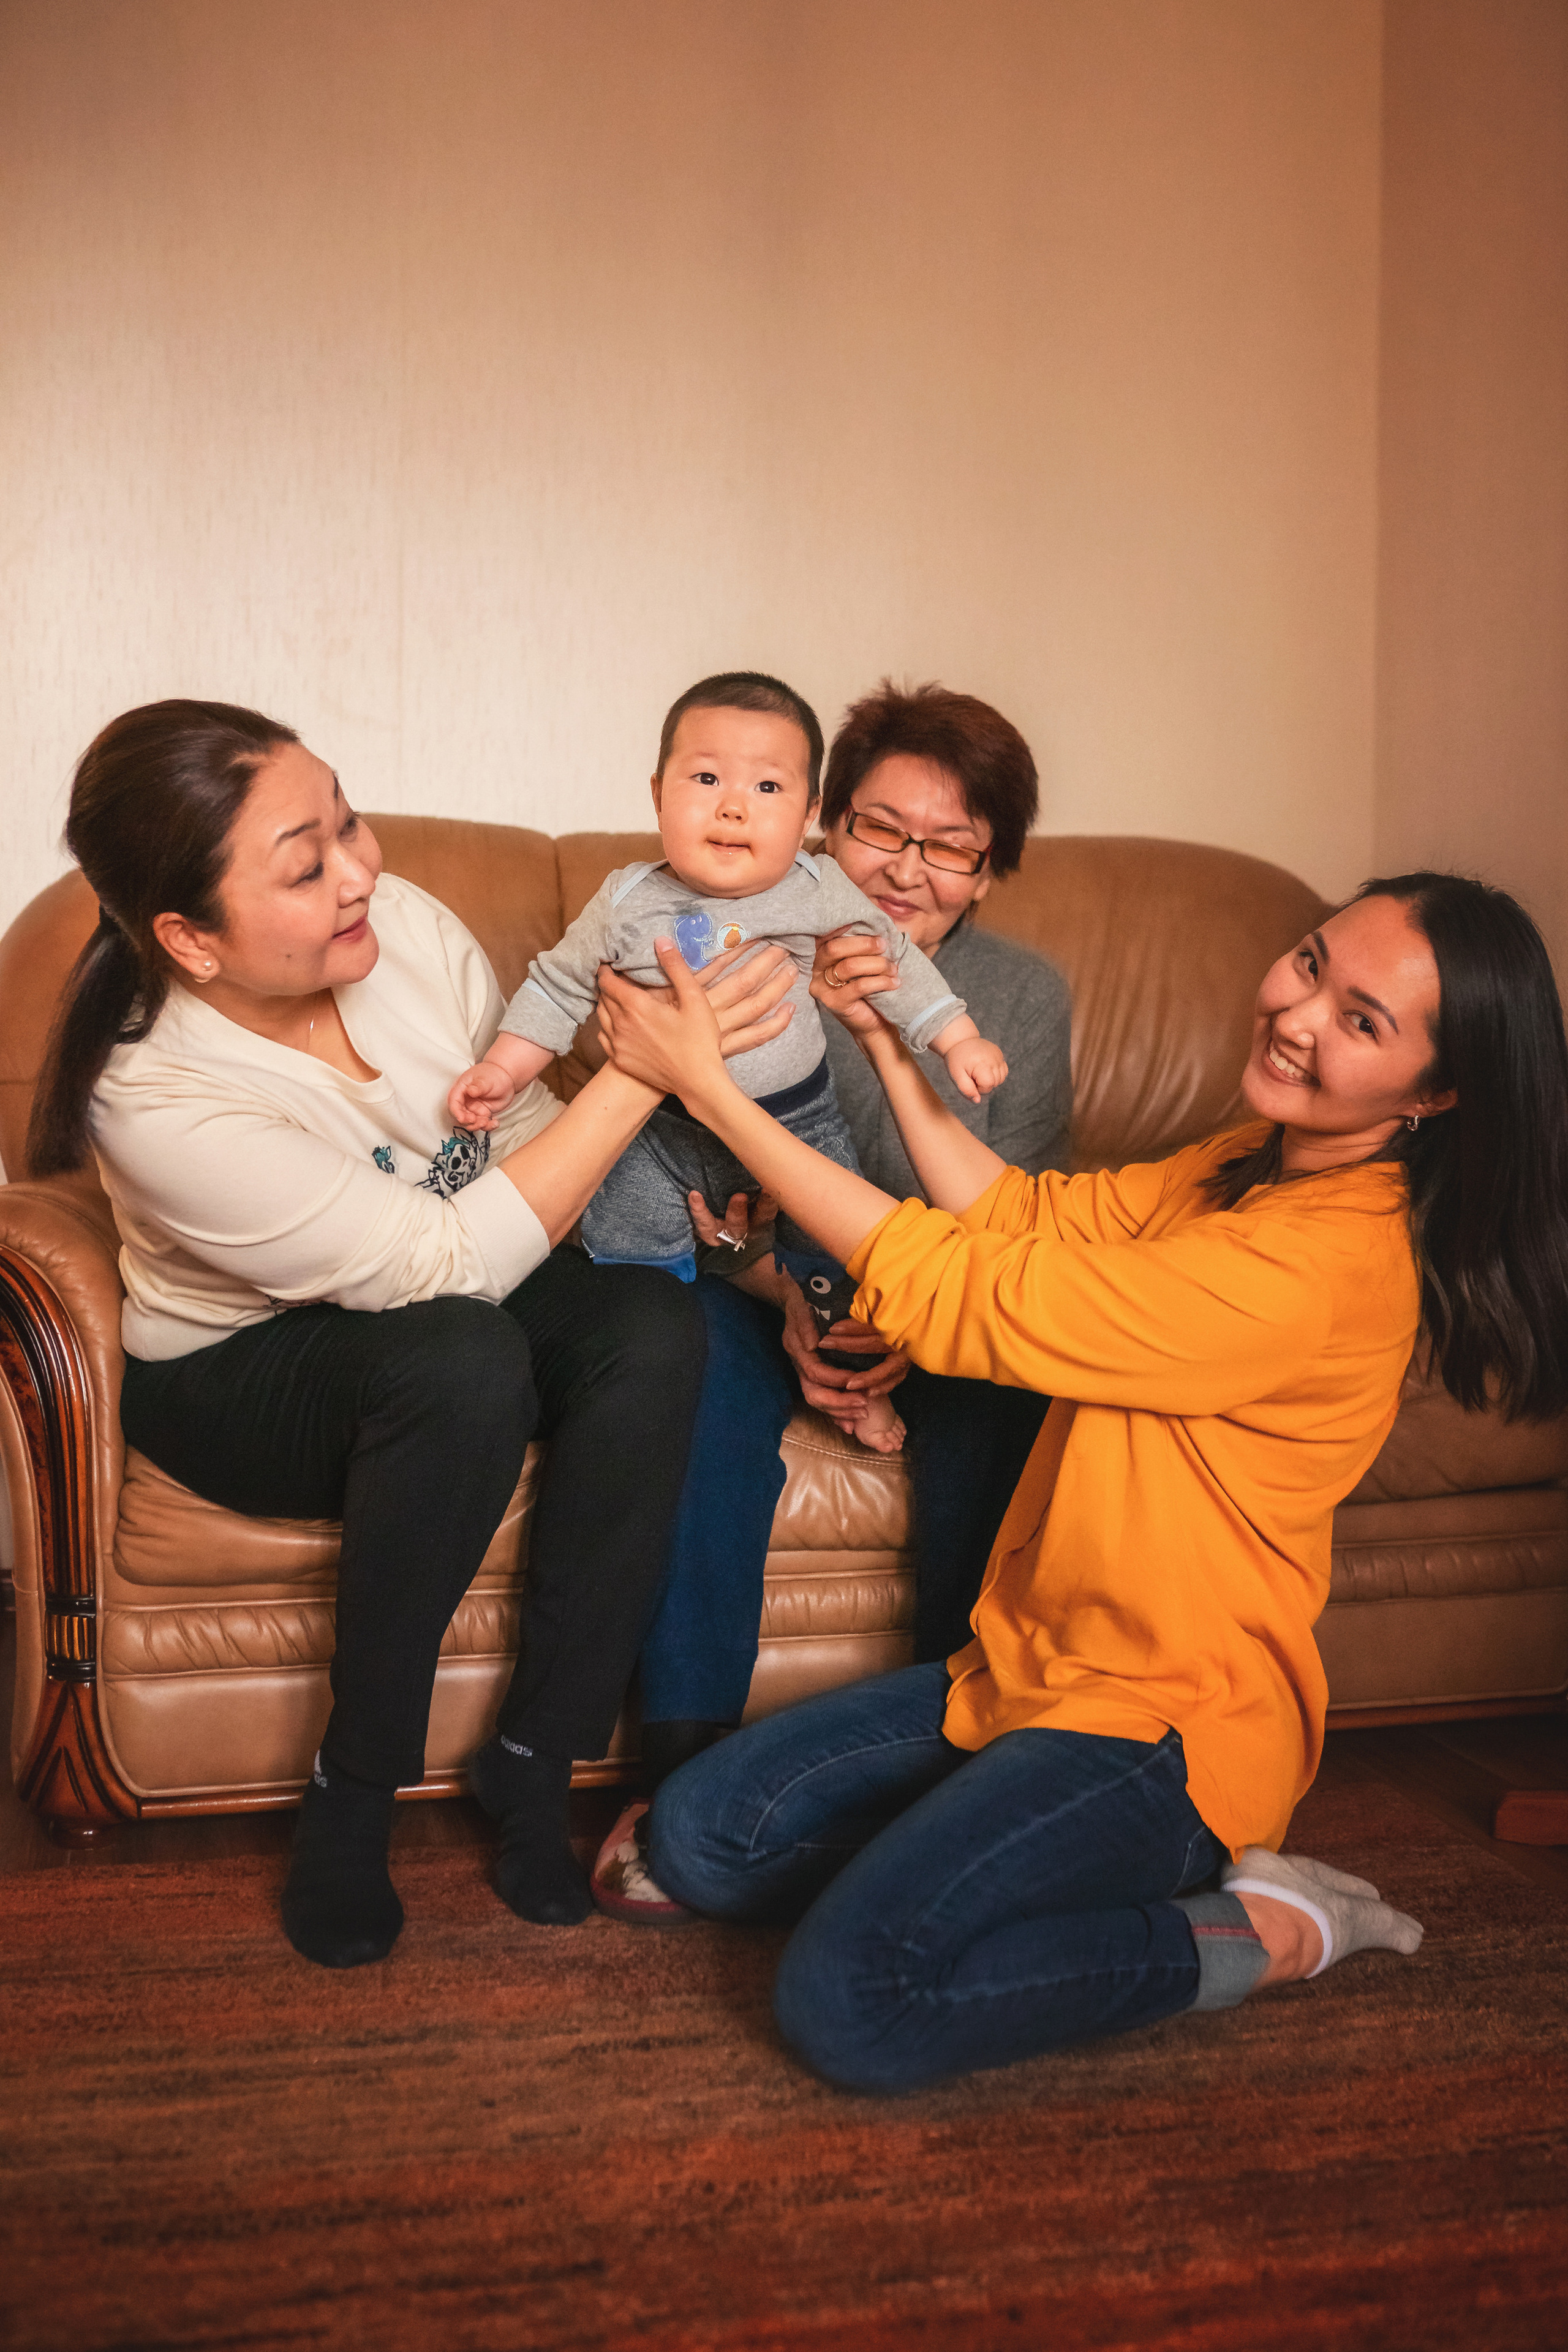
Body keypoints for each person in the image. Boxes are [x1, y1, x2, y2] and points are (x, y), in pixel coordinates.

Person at [595, 870, 1568, 2087]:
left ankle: (1264, 1928)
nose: (1297, 1013)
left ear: (1434, 1092)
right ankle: (1008, 1870)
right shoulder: (1249, 1164)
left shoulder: (1316, 1265)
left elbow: (965, 1294)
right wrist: (885, 1041)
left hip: (1159, 1722)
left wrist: (711, 1096)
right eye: (1310, 965)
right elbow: (1019, 1220)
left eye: (1359, 1021)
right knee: (697, 1833)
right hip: (1022, 1669)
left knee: (852, 1996)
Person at [26, 698, 797, 1971]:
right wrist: (649, 1072)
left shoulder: (406, 934)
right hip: (242, 1368)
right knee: (460, 1356)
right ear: (189, 939)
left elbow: (521, 1155)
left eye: (350, 823)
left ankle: (534, 1762)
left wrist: (729, 1224)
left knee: (654, 1330)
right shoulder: (148, 1087)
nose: (360, 873)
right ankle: (353, 1788)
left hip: (445, 1299)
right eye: (306, 862)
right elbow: (439, 1264)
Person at [593, 685, 1070, 1920]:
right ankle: (683, 1770)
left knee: (1006, 1395)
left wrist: (910, 1331)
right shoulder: (723, 941)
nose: (906, 871)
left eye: (949, 846)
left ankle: (956, 1756)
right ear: (817, 828)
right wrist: (779, 1291)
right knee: (688, 1371)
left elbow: (1005, 1223)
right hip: (754, 1288)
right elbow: (693, 1179)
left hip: (940, 1307)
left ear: (989, 869)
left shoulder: (1020, 1003)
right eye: (878, 830)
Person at [444, 669, 1009, 1455]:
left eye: (768, 785)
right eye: (705, 778)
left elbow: (894, 958)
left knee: (836, 1263)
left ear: (810, 812)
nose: (733, 804)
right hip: (658, 1129)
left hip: (796, 1121)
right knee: (629, 1260)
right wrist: (504, 1071)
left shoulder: (819, 888)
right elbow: (557, 983)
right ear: (657, 794)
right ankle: (625, 1373)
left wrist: (955, 1036)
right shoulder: (626, 900)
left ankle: (855, 1398)